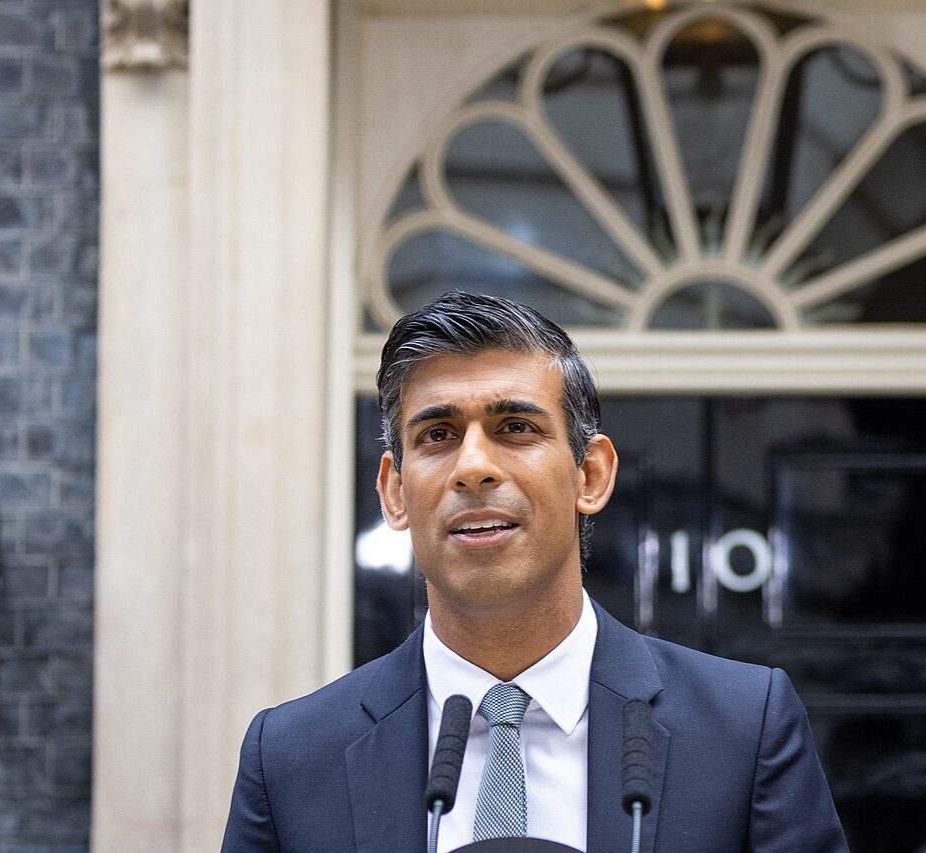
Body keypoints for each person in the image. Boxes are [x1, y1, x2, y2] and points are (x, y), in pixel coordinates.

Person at [221, 291, 848, 853]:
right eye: (437, 435)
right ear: (394, 493)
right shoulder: (292, 758)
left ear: (591, 475)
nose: (473, 467)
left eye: (515, 427)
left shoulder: (743, 727)